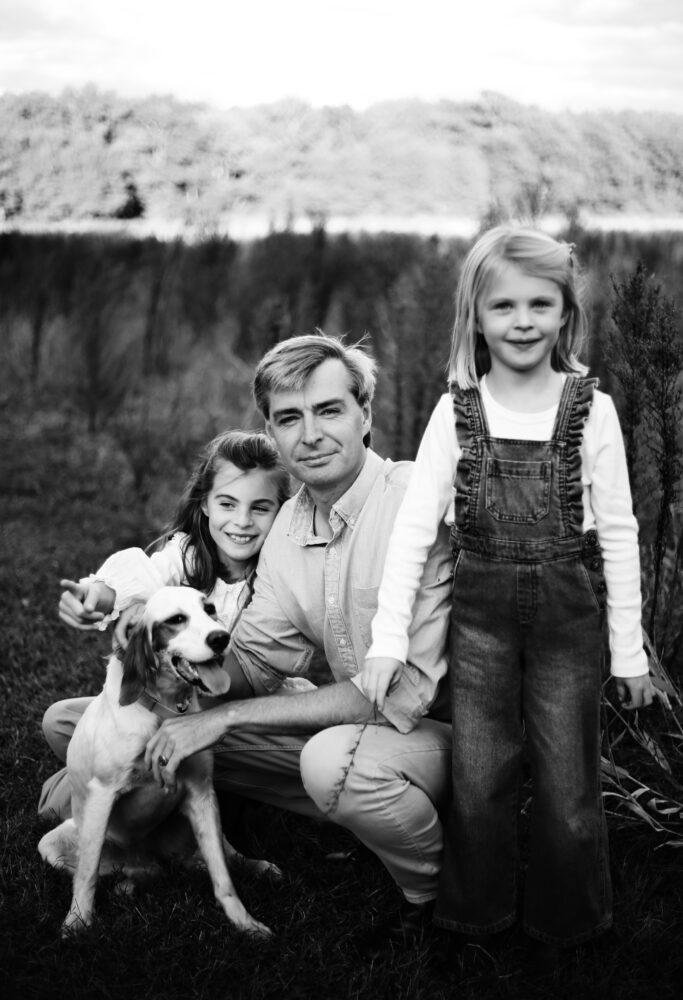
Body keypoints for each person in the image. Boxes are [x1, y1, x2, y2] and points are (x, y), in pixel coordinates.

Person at [40, 334, 454, 951]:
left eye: (330, 410)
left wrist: (220, 718)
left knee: (326, 762)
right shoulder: (289, 527)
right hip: (342, 722)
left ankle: (441, 895)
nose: (310, 433)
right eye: (290, 418)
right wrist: (165, 667)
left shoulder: (414, 501)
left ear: (366, 414)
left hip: (436, 731)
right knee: (92, 721)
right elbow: (254, 659)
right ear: (274, 432)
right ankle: (138, 800)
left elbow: (397, 694)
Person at [360, 225, 653, 953]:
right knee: (480, 773)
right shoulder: (455, 411)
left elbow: (617, 533)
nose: (521, 321)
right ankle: (474, 917)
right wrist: (387, 642)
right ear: (475, 319)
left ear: (564, 315)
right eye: (502, 307)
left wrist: (629, 654)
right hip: (481, 621)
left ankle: (570, 923)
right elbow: (412, 534)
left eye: (539, 304)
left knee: (566, 781)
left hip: (567, 622)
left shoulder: (593, 411)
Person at [40, 429, 292, 815]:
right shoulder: (187, 557)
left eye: (260, 508)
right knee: (60, 720)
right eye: (227, 503)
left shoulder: (279, 571)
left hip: (246, 715)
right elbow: (143, 577)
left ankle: (141, 782)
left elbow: (249, 676)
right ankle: (146, 777)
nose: (242, 522)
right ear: (205, 503)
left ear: (281, 510)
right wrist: (101, 593)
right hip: (175, 709)